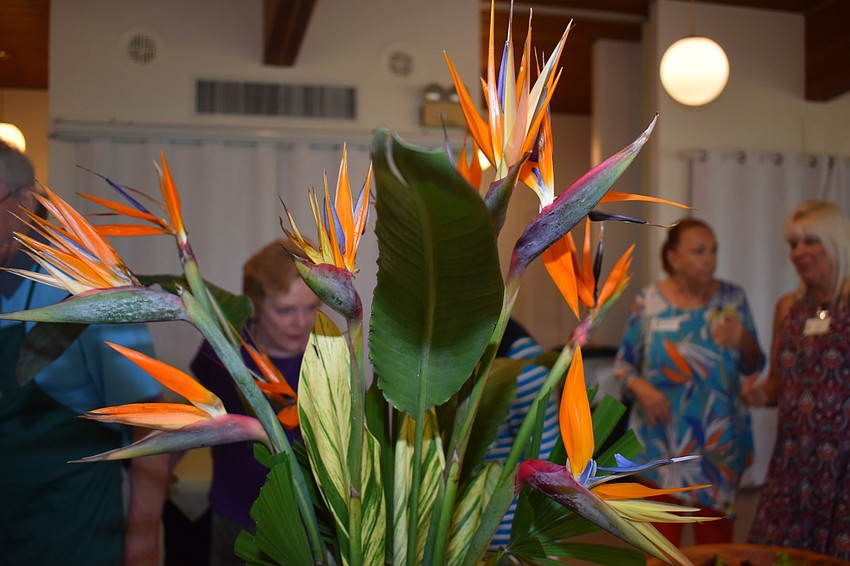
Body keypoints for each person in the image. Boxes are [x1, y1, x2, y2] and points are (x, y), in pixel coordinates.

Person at [0, 140, 169, 564]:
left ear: (26, 203)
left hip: (73, 524)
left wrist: (142, 541)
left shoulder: (88, 289)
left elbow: (150, 423)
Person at [614, 217, 764, 545]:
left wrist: (743, 339)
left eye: (713, 251)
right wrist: (643, 389)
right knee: (660, 549)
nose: (709, 259)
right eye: (698, 251)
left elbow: (756, 363)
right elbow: (623, 365)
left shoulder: (733, 299)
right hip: (661, 444)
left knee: (715, 548)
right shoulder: (648, 302)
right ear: (673, 258)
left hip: (717, 447)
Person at [190, 239, 321, 566]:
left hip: (305, 523)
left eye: (312, 308)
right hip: (232, 511)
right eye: (285, 310)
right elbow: (193, 415)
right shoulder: (222, 349)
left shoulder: (327, 359)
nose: (301, 323)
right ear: (256, 304)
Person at [744, 200, 850, 559]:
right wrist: (755, 394)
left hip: (844, 463)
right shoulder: (787, 308)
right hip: (794, 460)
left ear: (836, 243)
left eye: (810, 241)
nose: (799, 252)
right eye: (793, 244)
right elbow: (777, 385)